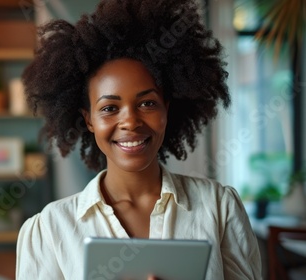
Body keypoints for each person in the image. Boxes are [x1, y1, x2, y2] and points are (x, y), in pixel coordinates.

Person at [16, 0, 262, 279]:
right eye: (109, 108)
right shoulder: (51, 228)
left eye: (147, 104)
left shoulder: (219, 208)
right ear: (88, 120)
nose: (131, 122)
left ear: (166, 110)